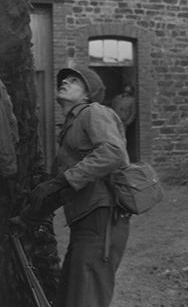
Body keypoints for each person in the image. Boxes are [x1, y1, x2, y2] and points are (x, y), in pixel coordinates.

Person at [18, 67, 130, 307]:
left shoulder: (94, 112)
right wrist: (28, 218)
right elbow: (65, 186)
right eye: (63, 80)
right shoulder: (71, 125)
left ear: (88, 94)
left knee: (87, 298)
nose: (65, 82)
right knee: (71, 296)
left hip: (102, 219)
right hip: (84, 221)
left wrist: (60, 180)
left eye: (74, 80)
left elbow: (113, 153)